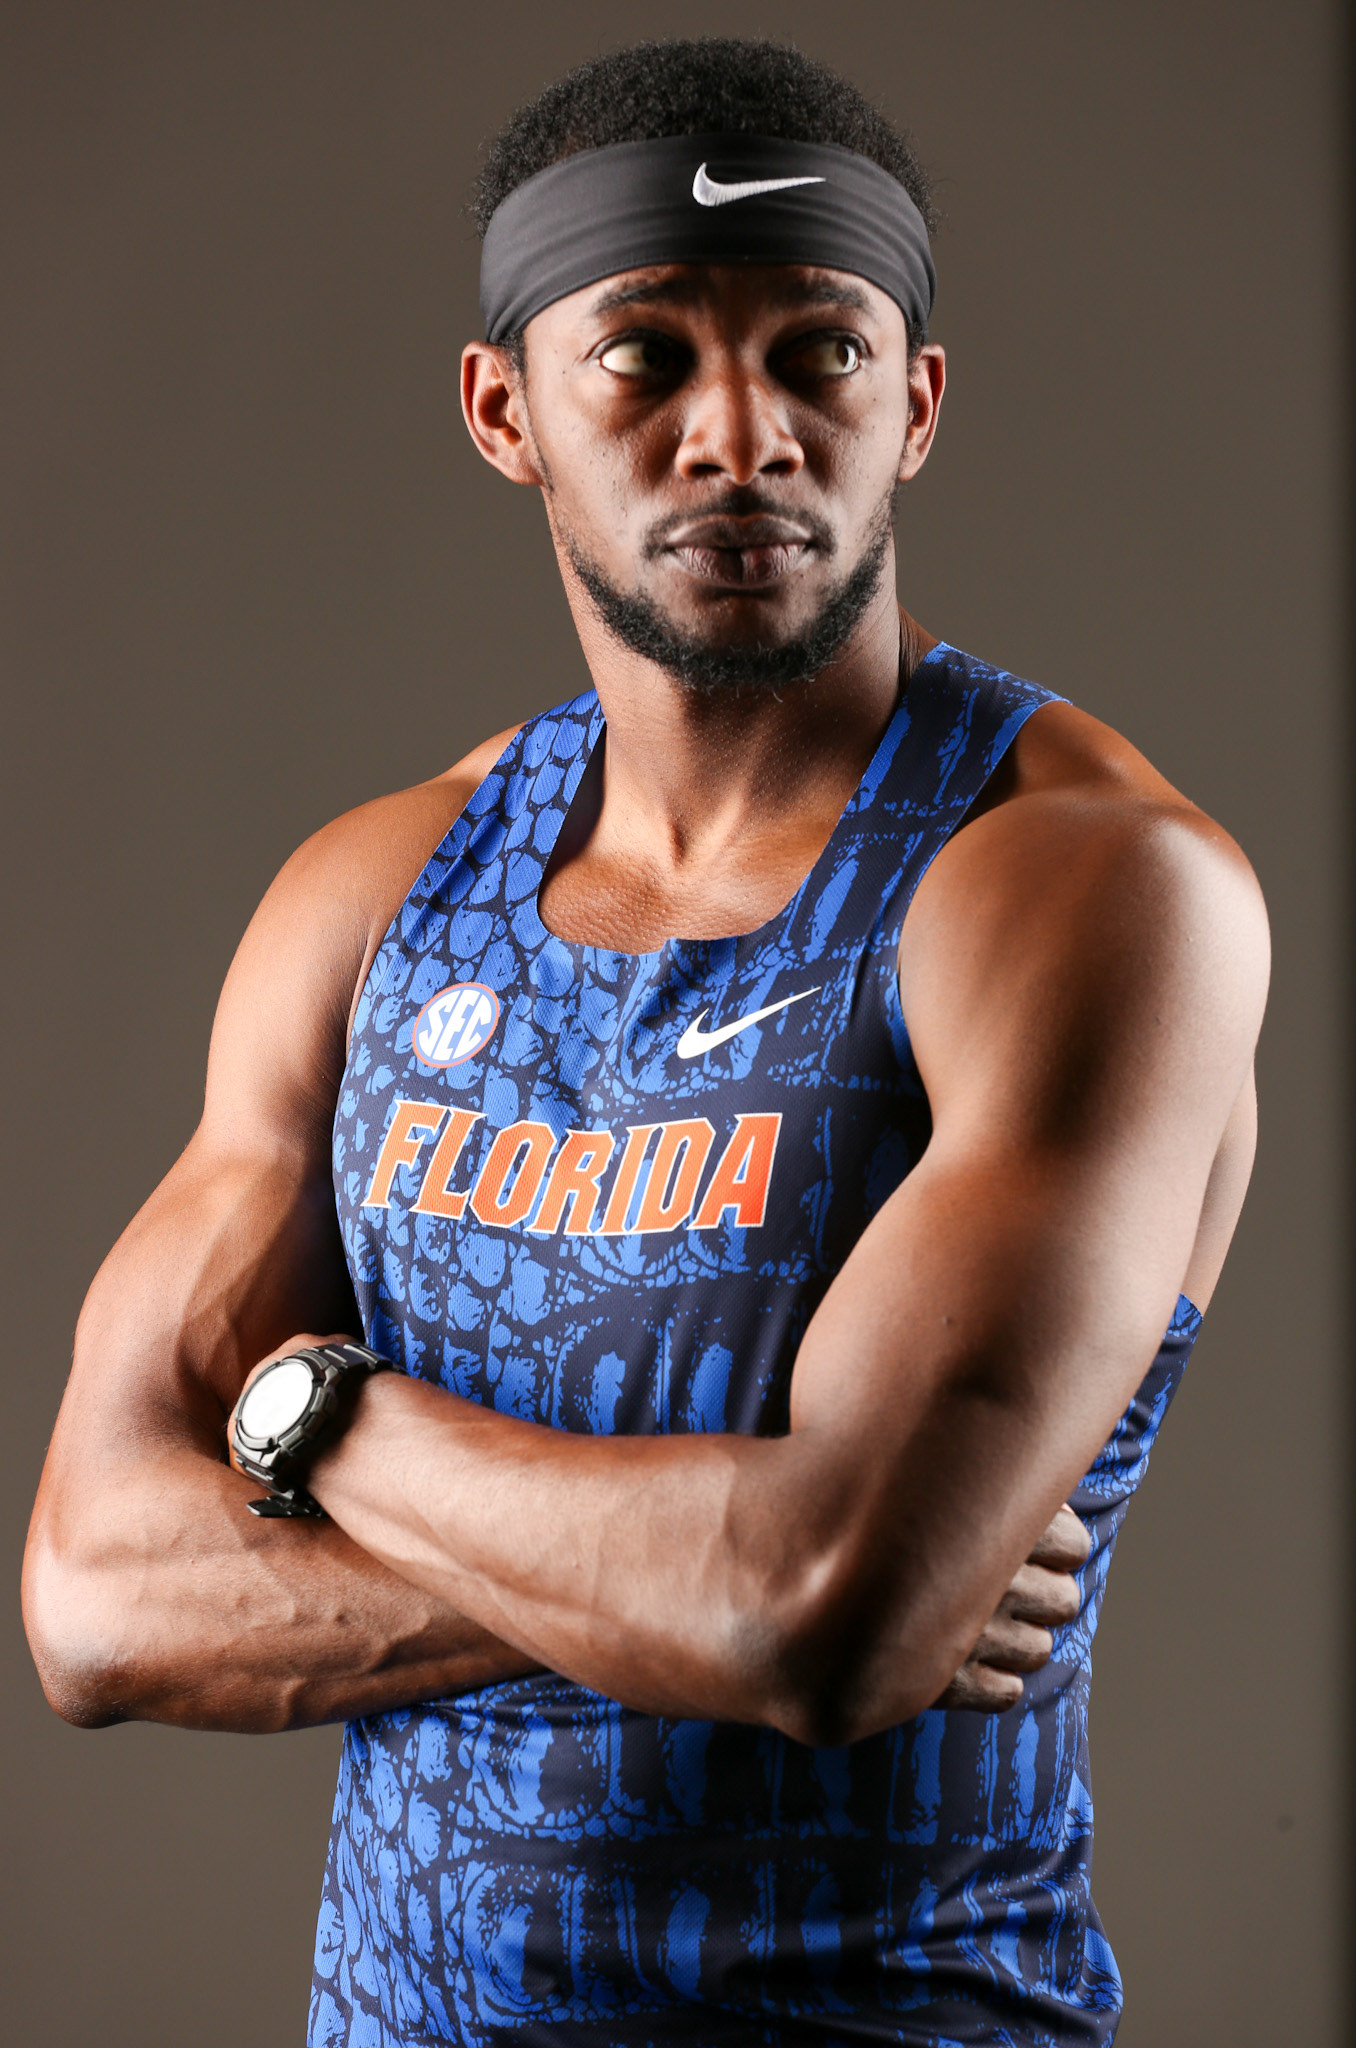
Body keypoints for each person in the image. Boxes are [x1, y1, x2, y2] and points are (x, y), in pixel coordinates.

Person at [23, 36, 1268, 2048]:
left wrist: (318, 1422)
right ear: (504, 411)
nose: (740, 435)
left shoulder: (1078, 891)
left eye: (820, 353)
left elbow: (820, 1611)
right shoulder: (378, 894)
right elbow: (93, 1599)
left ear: (916, 404)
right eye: (646, 356)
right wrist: (697, 1575)